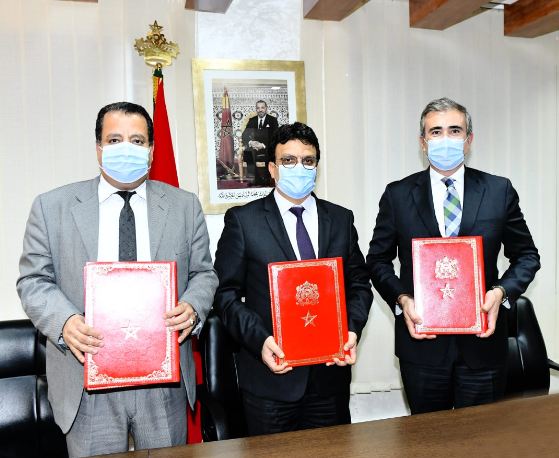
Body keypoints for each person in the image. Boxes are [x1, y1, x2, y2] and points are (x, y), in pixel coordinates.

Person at [16, 102, 218, 457]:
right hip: (87, 378)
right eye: (114, 139)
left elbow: (204, 273)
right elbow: (33, 280)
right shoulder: (52, 207)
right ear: (98, 148)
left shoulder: (184, 206)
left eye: (137, 140)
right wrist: (65, 322)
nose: (126, 148)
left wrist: (192, 306)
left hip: (162, 379)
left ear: (151, 150)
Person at [367, 97, 540, 415]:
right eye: (435, 132)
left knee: (481, 436)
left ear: (468, 139)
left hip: (483, 343)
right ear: (423, 142)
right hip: (421, 345)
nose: (445, 139)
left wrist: (500, 293)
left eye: (454, 130)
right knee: (428, 437)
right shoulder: (397, 194)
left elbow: (527, 255)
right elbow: (377, 260)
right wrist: (403, 299)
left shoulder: (498, 190)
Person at [213, 122, 373, 435]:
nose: (299, 167)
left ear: (316, 167)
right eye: (288, 160)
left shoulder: (340, 219)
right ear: (272, 169)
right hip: (270, 380)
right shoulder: (243, 221)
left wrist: (352, 330)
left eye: (307, 160)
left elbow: (359, 285)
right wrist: (260, 341)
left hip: (329, 379)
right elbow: (225, 295)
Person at [241, 99, 279, 186]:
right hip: (254, 147)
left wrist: (263, 145)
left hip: (266, 147)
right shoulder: (252, 120)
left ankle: (266, 179)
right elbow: (244, 135)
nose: (260, 110)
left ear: (266, 108)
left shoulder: (272, 120)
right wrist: (251, 142)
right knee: (247, 153)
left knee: (270, 154)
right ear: (256, 109)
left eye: (262, 107)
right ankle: (256, 179)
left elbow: (275, 136)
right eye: (258, 108)